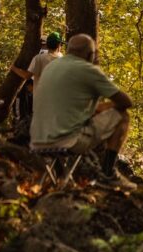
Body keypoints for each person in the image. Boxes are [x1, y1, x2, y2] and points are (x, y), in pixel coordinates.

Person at [30, 34, 135, 189]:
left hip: (37, 139)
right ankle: (108, 174)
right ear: (90, 54)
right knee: (123, 116)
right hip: (68, 141)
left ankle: (64, 179)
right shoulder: (88, 69)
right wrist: (103, 107)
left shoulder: (52, 66)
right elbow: (126, 102)